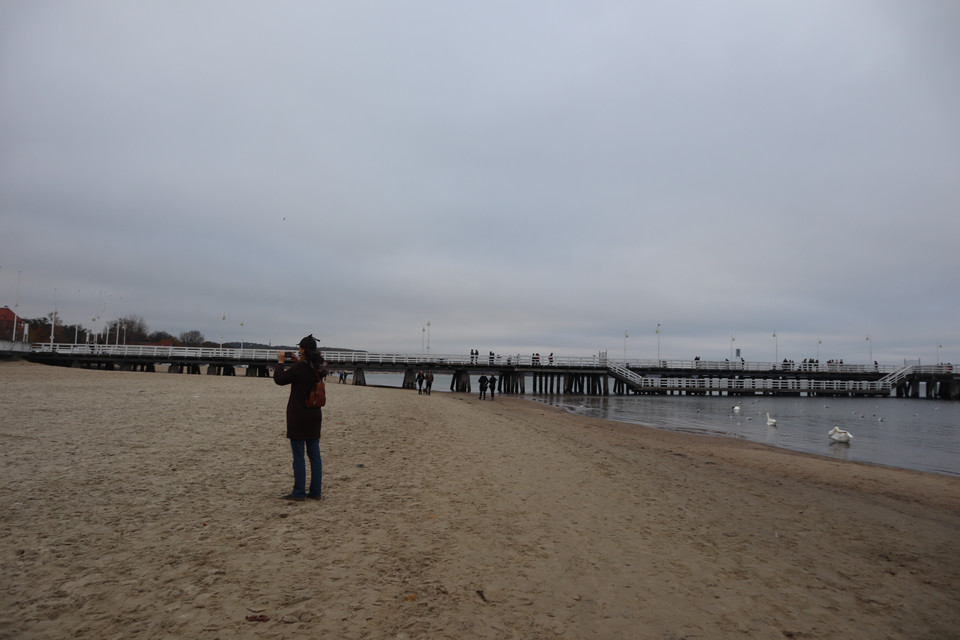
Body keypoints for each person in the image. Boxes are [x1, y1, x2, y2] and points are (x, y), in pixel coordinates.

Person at [274, 334, 326, 501]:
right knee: (314, 455)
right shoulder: (318, 365)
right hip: (314, 414)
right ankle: (316, 491)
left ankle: (298, 492)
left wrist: (281, 362)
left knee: (298, 456)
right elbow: (307, 374)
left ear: (302, 349)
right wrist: (298, 361)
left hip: (299, 415)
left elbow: (279, 379)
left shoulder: (301, 367)